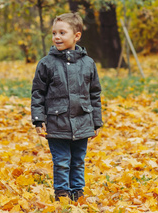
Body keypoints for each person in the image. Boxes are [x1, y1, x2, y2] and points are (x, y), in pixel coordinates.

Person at [31, 12, 103, 202]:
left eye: (62, 33)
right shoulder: (46, 64)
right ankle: (62, 194)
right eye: (54, 33)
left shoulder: (88, 64)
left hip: (82, 121)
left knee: (78, 161)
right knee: (62, 162)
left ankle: (78, 193)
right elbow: (38, 93)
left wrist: (96, 122)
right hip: (56, 123)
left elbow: (94, 94)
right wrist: (39, 119)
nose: (57, 37)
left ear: (76, 36)